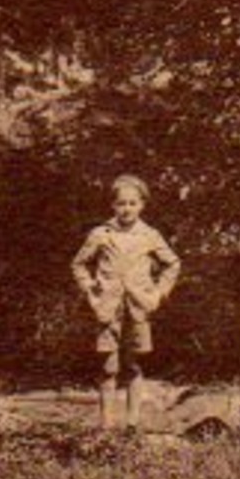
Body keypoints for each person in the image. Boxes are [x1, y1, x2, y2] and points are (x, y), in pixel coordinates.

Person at [70, 174, 181, 430]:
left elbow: (172, 264)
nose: (127, 209)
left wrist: (157, 293)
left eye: (133, 203)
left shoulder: (150, 235)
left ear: (142, 205)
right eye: (121, 203)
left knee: (133, 364)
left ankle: (133, 423)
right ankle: (106, 424)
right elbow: (79, 264)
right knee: (108, 366)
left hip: (138, 307)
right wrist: (90, 290)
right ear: (112, 205)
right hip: (107, 308)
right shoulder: (101, 234)